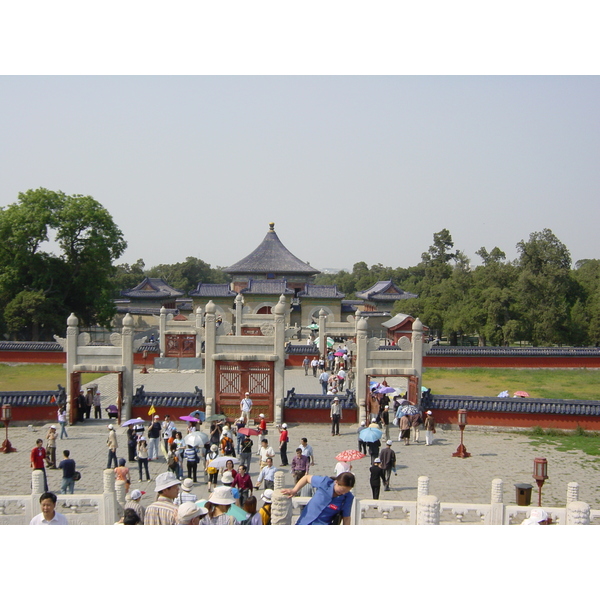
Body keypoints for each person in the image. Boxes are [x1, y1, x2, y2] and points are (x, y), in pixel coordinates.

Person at [281, 472, 355, 525]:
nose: (343, 493)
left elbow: (346, 518)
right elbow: (306, 478)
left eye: (346, 491)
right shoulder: (325, 482)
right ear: (336, 482)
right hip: (304, 521)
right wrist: (294, 490)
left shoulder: (347, 497)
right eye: (342, 490)